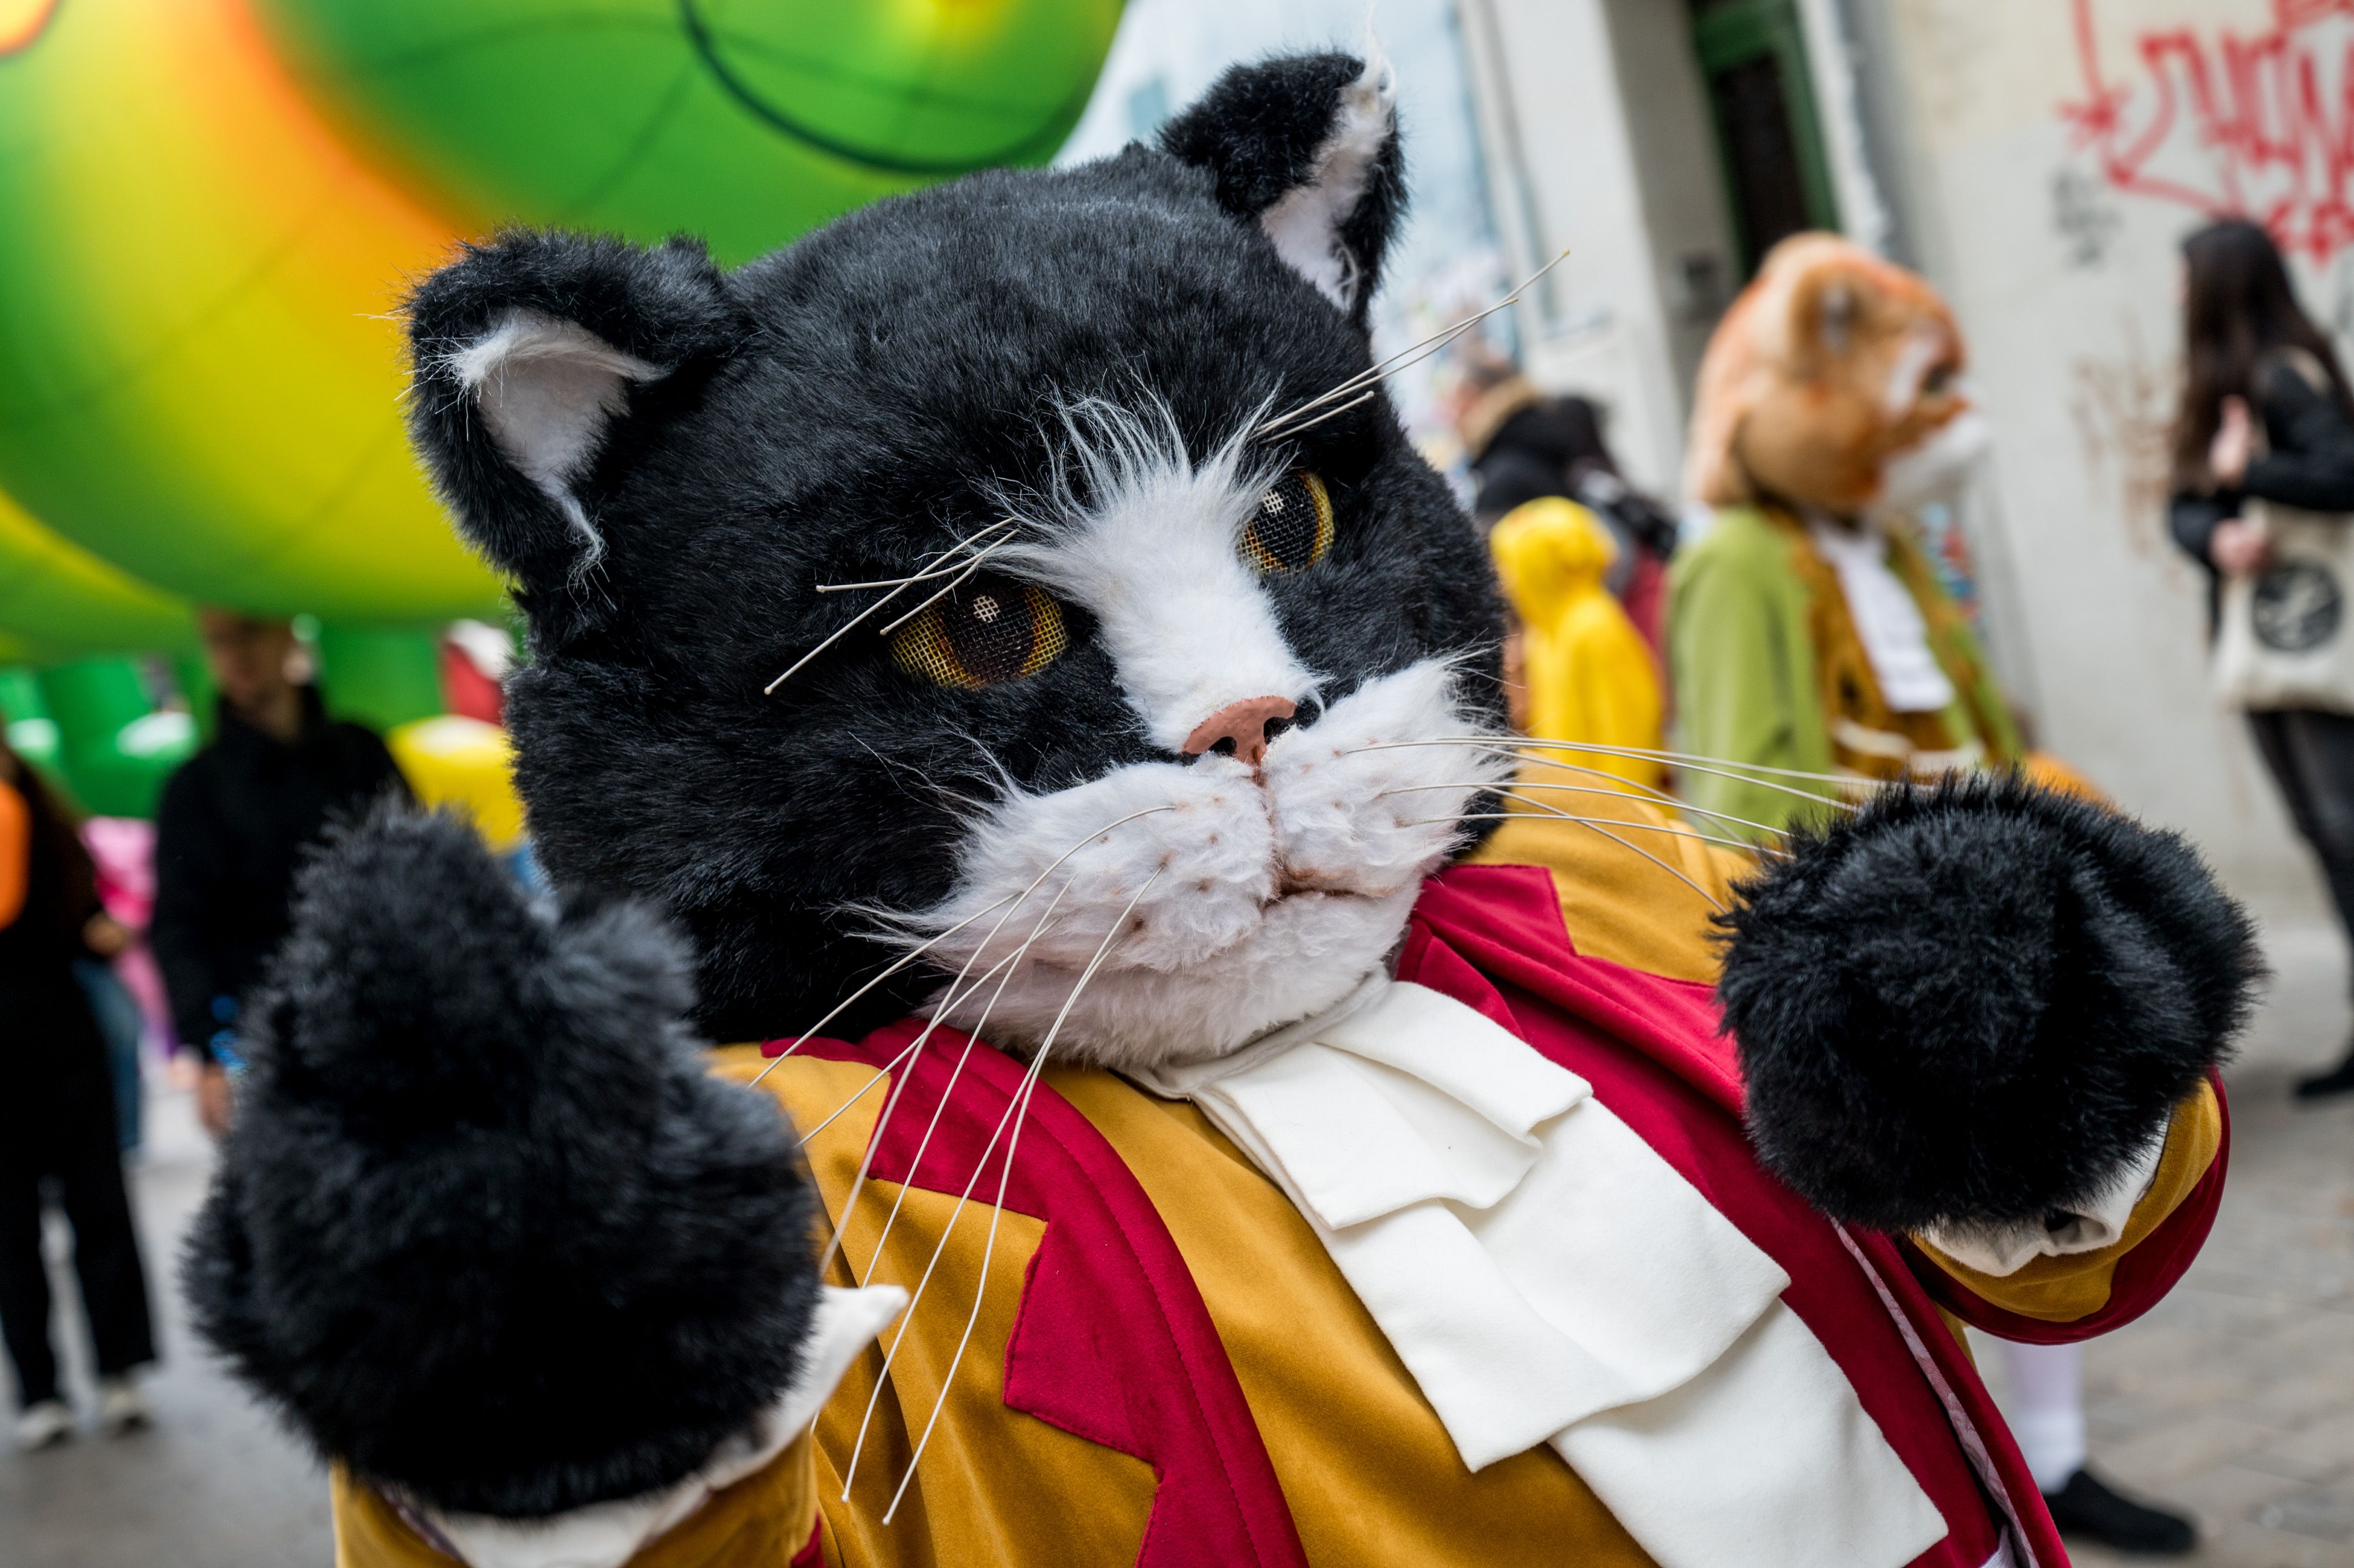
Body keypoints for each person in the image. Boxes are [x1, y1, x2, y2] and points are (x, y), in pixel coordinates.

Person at [1671, 233, 2198, 1554]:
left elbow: (1971, 714)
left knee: (2054, 1192)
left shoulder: (1888, 546)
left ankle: (2056, 1454)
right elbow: (1741, 796)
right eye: (1918, 387)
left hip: (1996, 923)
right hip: (1875, 962)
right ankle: (1974, 1474)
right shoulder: (1737, 561)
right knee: (1928, 1243)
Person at [2167, 218, 2354, 1102]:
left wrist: (2253, 477)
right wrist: (2216, 534)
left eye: (2182, 278)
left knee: (2343, 828)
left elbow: (2344, 471)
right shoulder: (2215, 386)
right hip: (2263, 642)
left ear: (2215, 285)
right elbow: (2182, 506)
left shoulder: (2282, 376)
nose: (2172, 294)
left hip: (2309, 635)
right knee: (2323, 833)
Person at [152, 610, 410, 1134]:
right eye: (218, 642)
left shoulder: (360, 752)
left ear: (286, 631)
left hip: (390, 1018)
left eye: (248, 633)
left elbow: (424, 873)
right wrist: (207, 1052)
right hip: (271, 1038)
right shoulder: (195, 787)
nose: (235, 655)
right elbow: (181, 926)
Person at [0, 736, 157, 1449]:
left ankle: (118, 1368)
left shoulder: (40, 812)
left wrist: (105, 929)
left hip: (63, 1038)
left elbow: (87, 912)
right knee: (11, 1228)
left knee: (98, 1201)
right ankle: (39, 1389)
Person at [1454, 358, 1680, 658]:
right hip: (1629, 604)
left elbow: (1501, 592)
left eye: (1452, 402)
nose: (1449, 415)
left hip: (1568, 642)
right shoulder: (1553, 432)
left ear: (1471, 397)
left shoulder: (1501, 474)